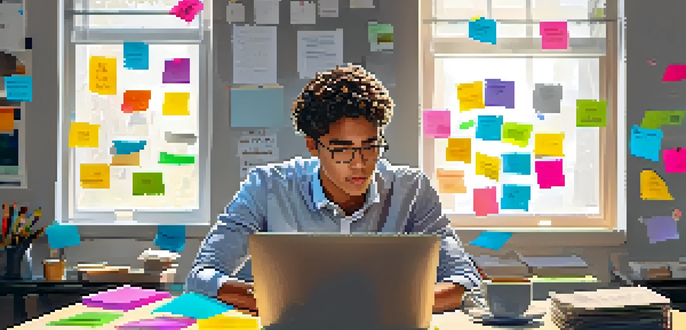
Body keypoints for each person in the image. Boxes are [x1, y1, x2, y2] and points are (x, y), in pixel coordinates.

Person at [185, 64, 483, 315]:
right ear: (313, 146)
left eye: (371, 146)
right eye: (343, 149)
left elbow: (466, 280)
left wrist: (380, 305)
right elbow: (202, 275)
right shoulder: (267, 186)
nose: (360, 164)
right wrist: (270, 298)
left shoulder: (412, 190)